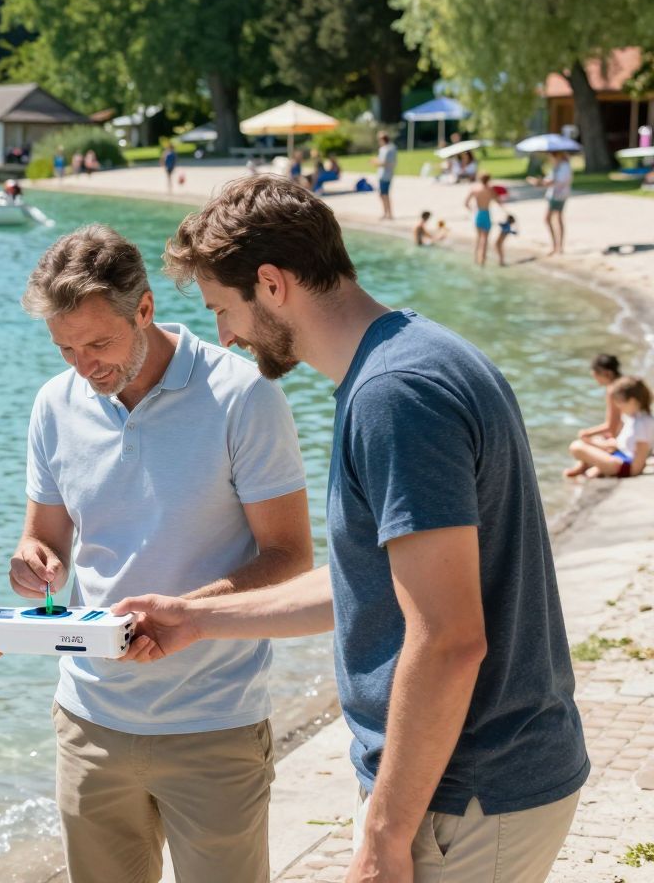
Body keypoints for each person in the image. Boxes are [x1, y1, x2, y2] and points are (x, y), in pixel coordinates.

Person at [126, 175, 588, 883]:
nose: (223, 334)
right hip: (481, 784)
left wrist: (383, 835)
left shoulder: (392, 397)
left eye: (224, 308)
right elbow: (370, 587)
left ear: (273, 285)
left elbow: (448, 638)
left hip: (465, 797)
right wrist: (196, 617)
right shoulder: (420, 352)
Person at [10, 225, 313, 883]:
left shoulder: (244, 395)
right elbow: (45, 537)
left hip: (215, 722)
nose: (83, 367)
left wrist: (185, 612)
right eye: (65, 349)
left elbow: (289, 559)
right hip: (88, 719)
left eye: (98, 343)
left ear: (144, 308)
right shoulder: (54, 406)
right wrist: (34, 559)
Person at [566, 376, 652, 479]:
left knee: (576, 447)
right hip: (620, 456)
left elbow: (638, 462)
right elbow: (626, 444)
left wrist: (630, 472)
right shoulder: (635, 418)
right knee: (596, 440)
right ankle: (589, 466)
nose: (618, 407)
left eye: (620, 403)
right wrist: (598, 443)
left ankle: (590, 466)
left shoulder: (642, 423)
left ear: (632, 401)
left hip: (624, 466)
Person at [566, 354, 626, 477]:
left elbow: (611, 427)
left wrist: (586, 433)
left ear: (607, 373)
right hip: (626, 441)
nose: (595, 378)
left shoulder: (613, 390)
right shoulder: (626, 384)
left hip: (621, 446)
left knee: (577, 446)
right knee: (596, 439)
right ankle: (584, 466)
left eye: (596, 375)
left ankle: (586, 466)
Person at [529, 151, 572, 255]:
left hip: (558, 196)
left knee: (551, 219)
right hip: (556, 195)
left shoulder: (564, 166)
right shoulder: (558, 166)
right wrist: (540, 182)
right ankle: (557, 246)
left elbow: (558, 181)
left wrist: (541, 183)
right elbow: (550, 180)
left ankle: (557, 246)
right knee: (556, 219)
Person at [462, 173, 498, 266]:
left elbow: (466, 203)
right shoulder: (490, 190)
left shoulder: (474, 190)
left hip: (478, 214)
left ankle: (475, 259)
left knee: (478, 238)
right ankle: (483, 261)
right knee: (485, 239)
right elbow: (498, 200)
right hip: (486, 214)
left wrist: (472, 211)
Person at [374, 131, 397, 220]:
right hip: (382, 174)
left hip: (386, 175)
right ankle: (385, 212)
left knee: (385, 195)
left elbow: (387, 163)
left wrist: (376, 162)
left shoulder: (389, 149)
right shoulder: (385, 149)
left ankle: (389, 213)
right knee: (382, 194)